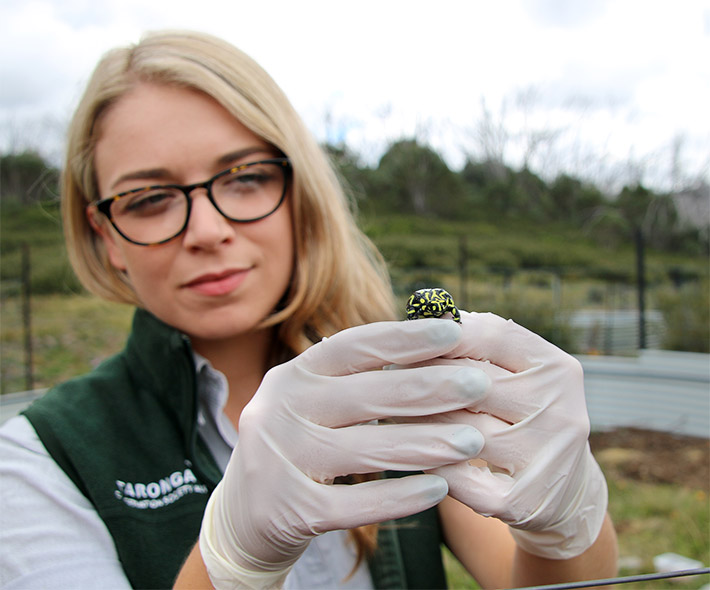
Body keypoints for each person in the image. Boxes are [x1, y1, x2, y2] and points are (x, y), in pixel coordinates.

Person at [0, 30, 617, 590]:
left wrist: (565, 522)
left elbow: (525, 578)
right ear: (106, 237)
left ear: (298, 194)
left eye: (243, 177)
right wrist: (230, 563)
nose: (208, 230)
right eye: (149, 198)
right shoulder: (37, 460)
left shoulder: (404, 395)